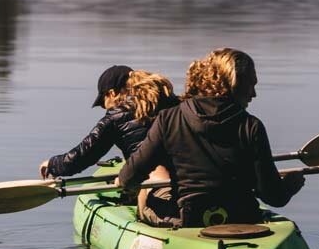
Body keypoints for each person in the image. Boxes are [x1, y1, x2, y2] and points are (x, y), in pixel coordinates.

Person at [114, 47, 301, 228]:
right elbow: (273, 197)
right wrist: (289, 185)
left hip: (188, 219)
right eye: (250, 85)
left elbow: (128, 178)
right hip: (242, 216)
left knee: (146, 191)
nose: (254, 94)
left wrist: (128, 184)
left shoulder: (168, 118)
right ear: (232, 84)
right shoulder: (251, 126)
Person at [40, 65, 176, 180]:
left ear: (112, 94)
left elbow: (84, 155)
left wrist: (52, 164)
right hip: (189, 180)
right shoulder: (174, 102)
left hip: (155, 184)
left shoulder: (116, 116)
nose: (105, 108)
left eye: (103, 103)